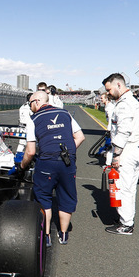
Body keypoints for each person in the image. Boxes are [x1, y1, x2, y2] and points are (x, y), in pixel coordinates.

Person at [18, 90, 85, 246]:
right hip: (67, 162)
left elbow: (31, 151)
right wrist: (67, 153)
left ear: (36, 102)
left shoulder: (33, 119)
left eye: (30, 103)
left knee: (44, 198)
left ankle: (46, 236)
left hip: (46, 162)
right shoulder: (65, 114)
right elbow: (80, 137)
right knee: (67, 197)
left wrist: (22, 166)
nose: (30, 107)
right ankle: (63, 234)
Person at [102, 73, 139, 235]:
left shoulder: (124, 104)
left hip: (127, 150)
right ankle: (126, 219)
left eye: (109, 89)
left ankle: (126, 224)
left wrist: (116, 155)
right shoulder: (136, 101)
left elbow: (123, 131)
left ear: (119, 85)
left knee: (123, 188)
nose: (108, 93)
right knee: (130, 188)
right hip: (137, 148)